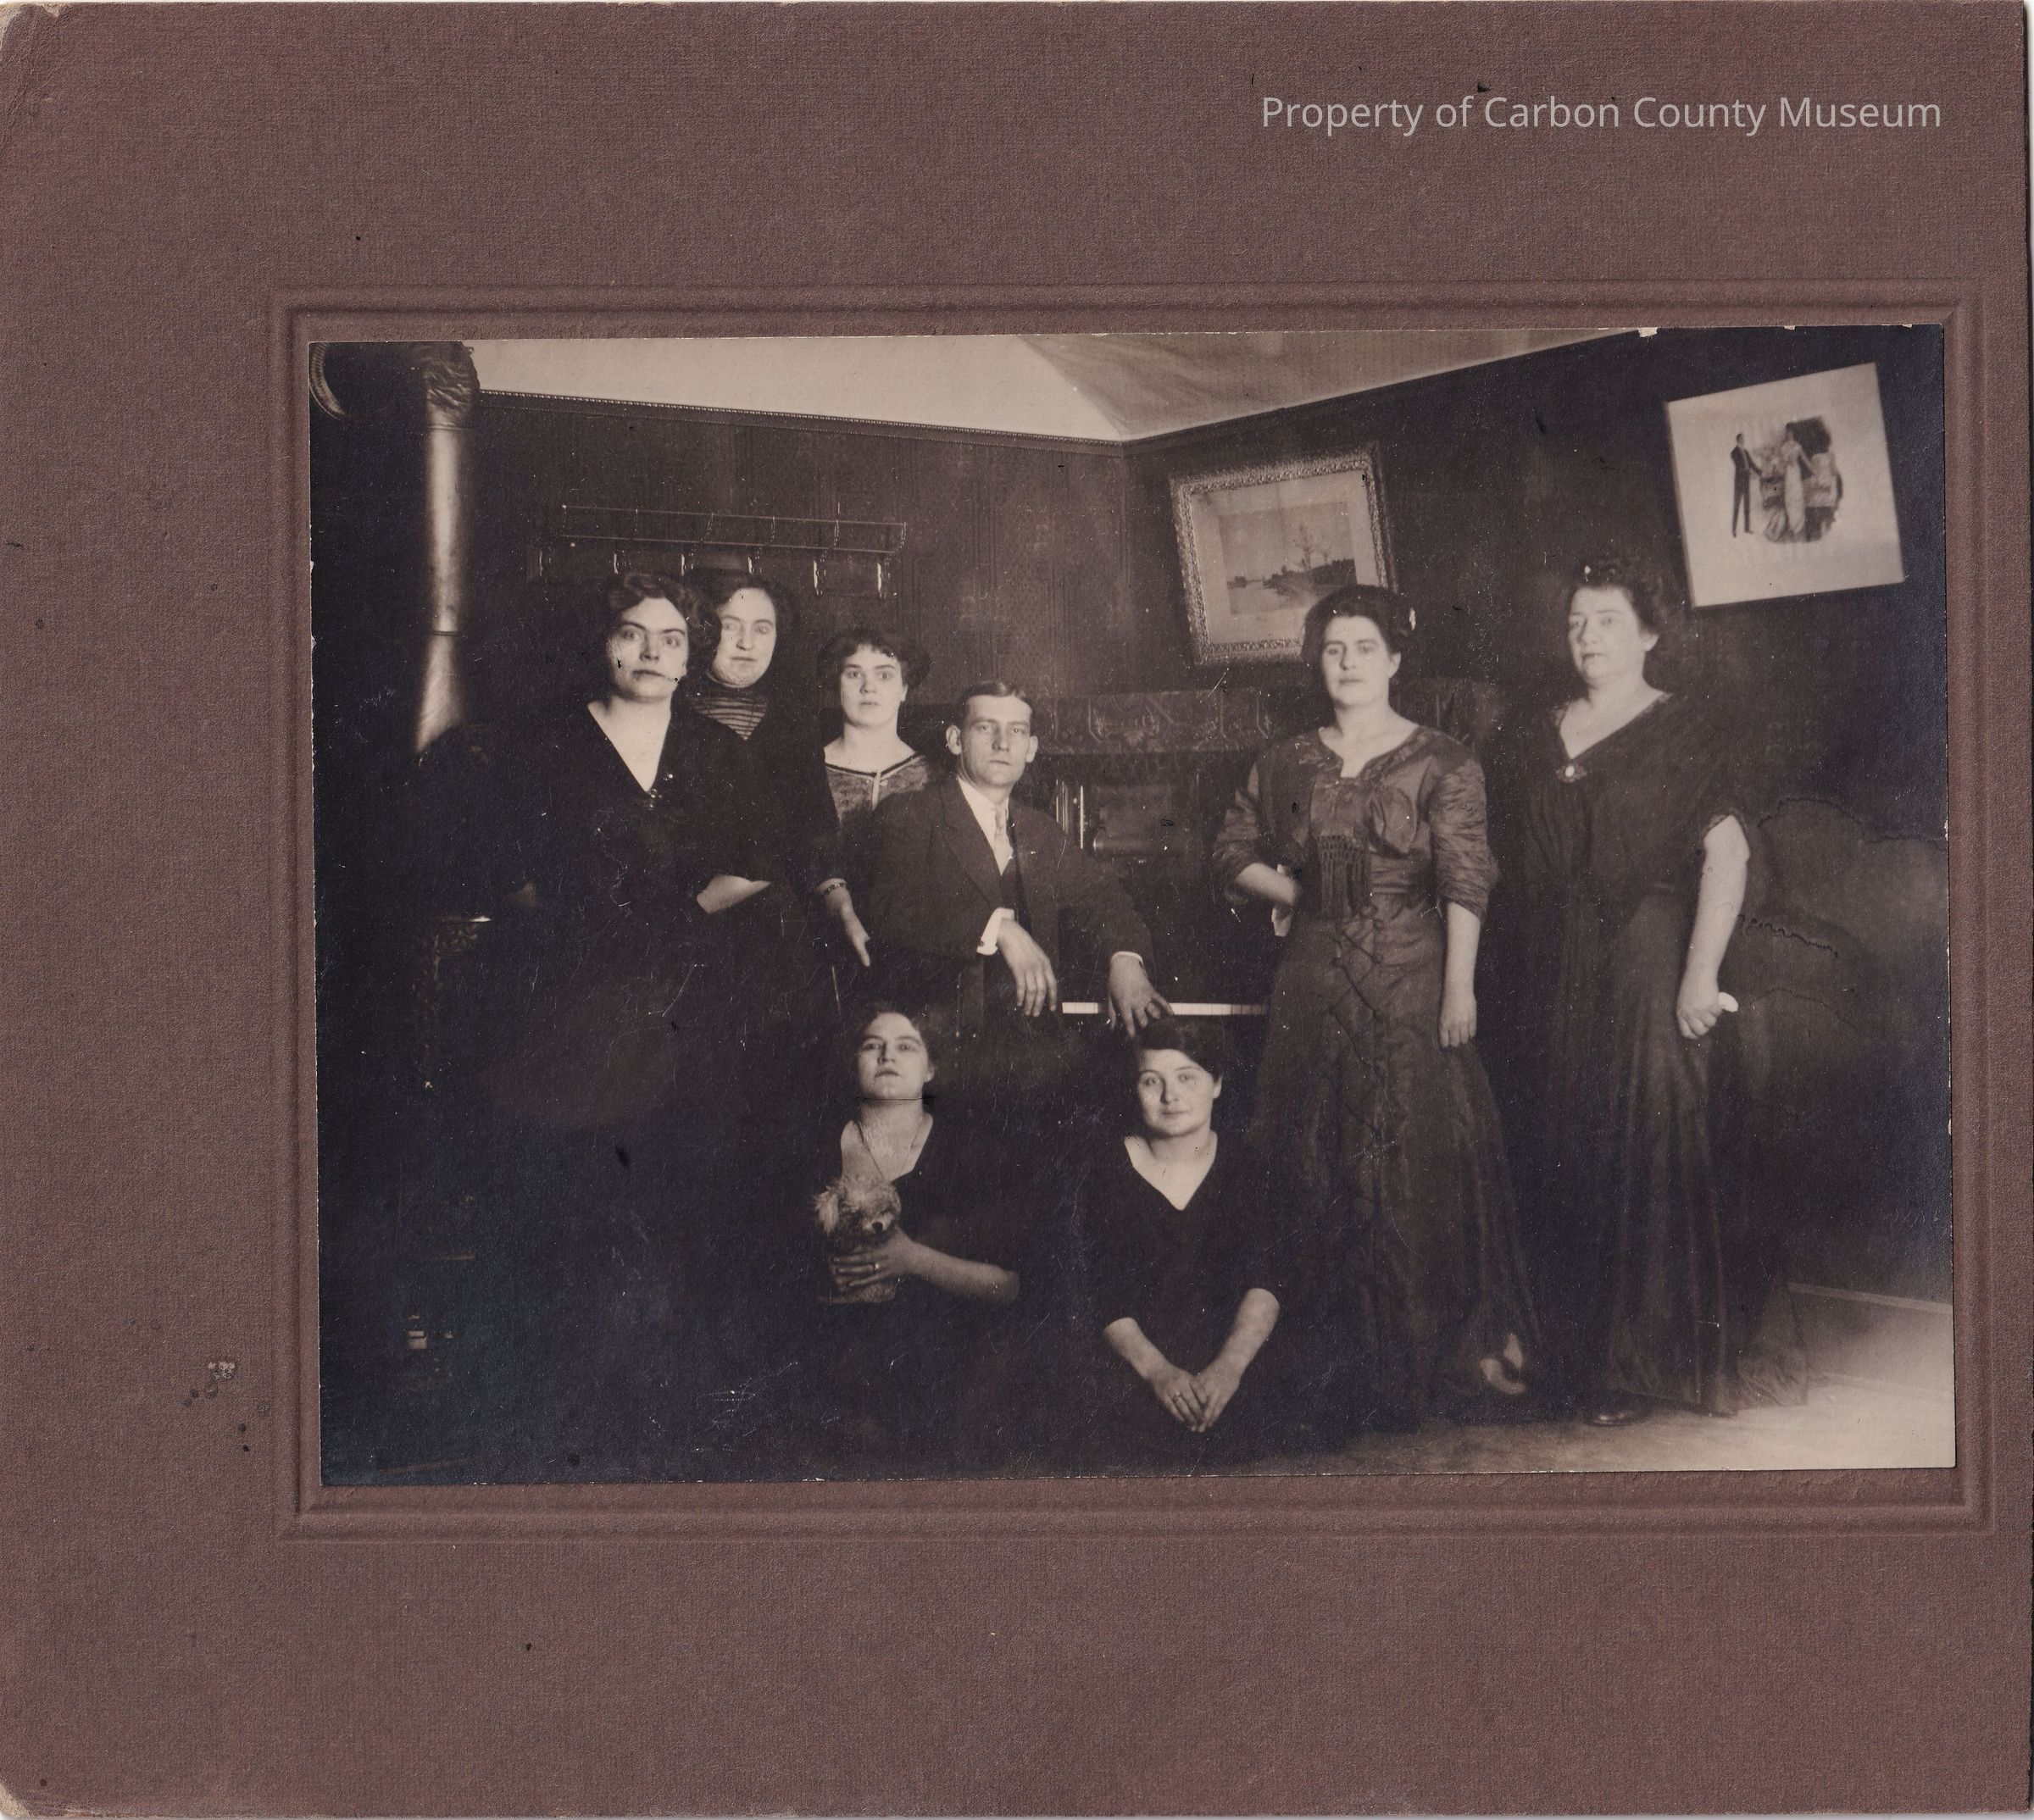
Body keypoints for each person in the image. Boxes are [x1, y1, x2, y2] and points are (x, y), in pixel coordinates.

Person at [462, 572, 775, 1473]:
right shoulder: (545, 748)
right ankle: (571, 1425)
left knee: (681, 1203)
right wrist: (587, 932)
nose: (650, 653)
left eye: (671, 639)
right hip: (570, 1006)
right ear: (604, 644)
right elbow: (508, 871)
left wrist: (674, 922)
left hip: (689, 1001)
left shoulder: (718, 751)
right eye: (632, 634)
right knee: (575, 1207)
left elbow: (758, 862)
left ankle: (671, 1427)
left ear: (691, 655)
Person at [1211, 585, 1535, 1434]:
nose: (1348, 663)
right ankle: (1332, 1363)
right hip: (1312, 977)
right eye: (1333, 649)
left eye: (1363, 648)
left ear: (1394, 660)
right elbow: (1230, 851)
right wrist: (1299, 894)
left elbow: (1466, 880)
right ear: (1317, 664)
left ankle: (1415, 1361)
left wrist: (1459, 987)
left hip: (1413, 973)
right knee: (1311, 1154)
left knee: (1407, 1156)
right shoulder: (1285, 760)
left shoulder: (1445, 760)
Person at [1486, 555, 1753, 1424]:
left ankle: (1631, 1367)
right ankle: (1556, 1355)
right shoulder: (1530, 733)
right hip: (1542, 962)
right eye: (1576, 622)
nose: (1587, 636)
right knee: (1552, 1141)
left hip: (1641, 960)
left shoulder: (1687, 728)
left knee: (1631, 1145)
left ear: (1647, 634)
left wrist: (1700, 975)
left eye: (1606, 621)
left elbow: (1727, 853)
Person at [864, 680, 1168, 1122]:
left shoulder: (1040, 829)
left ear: (1031, 748)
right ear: (955, 739)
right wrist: (998, 929)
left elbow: (1103, 898)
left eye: (1017, 731)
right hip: (941, 1060)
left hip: (1035, 1062)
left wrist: (1125, 960)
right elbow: (890, 909)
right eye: (986, 727)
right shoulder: (911, 813)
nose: (1003, 743)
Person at [785, 1005, 1028, 1469]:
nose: (887, 1056)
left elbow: (1009, 1286)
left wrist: (913, 1258)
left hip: (943, 1373)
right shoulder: (809, 1147)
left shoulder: (969, 1151)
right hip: (831, 1370)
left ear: (930, 1067)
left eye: (906, 1046)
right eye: (871, 1045)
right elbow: (774, 1273)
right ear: (854, 1063)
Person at [1071, 1018, 1293, 1468]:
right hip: (1136, 1359)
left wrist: (1228, 1369)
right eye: (1152, 1081)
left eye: (1187, 1078)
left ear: (1217, 1084)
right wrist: (1159, 1373)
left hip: (1226, 1353)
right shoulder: (1104, 1171)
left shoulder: (1248, 1167)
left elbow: (1264, 1280)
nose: (1170, 1096)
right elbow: (1103, 1292)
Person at [808, 626, 939, 973]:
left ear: (904, 689)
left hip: (914, 952)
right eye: (854, 674)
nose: (869, 687)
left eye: (884, 675)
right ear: (837, 686)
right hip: (817, 949)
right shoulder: (805, 772)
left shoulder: (935, 778)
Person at [1730, 433, 1756, 536]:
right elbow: (1739, 465)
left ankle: (1747, 528)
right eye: (1741, 439)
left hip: (1746, 482)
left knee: (1747, 505)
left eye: (1743, 439)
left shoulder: (1746, 452)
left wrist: (1760, 472)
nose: (1743, 440)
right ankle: (1734, 530)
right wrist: (1748, 471)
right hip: (1739, 482)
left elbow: (1752, 464)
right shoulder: (1734, 452)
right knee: (1736, 506)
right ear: (1738, 440)